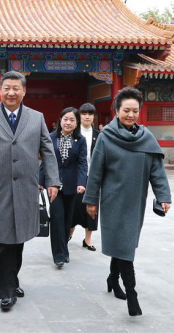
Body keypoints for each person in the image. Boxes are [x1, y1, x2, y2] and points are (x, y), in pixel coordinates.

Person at [0, 70, 60, 311]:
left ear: (24, 91)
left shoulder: (36, 117)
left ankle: (12, 278)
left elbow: (47, 150)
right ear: (0, 90)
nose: (11, 92)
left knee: (19, 236)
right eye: (7, 88)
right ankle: (6, 290)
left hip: (26, 186)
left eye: (16, 88)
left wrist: (53, 180)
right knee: (3, 238)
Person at [83, 87, 171, 317]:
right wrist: (91, 200)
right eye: (126, 110)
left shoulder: (146, 138)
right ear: (116, 111)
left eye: (134, 111)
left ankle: (113, 278)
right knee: (123, 247)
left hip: (135, 203)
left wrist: (163, 196)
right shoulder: (106, 137)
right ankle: (132, 296)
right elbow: (95, 172)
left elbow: (157, 172)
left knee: (124, 245)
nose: (130, 115)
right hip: (112, 202)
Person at [39, 107, 87, 268]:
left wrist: (82, 182)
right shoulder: (51, 137)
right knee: (57, 219)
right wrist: (40, 180)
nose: (68, 122)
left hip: (72, 185)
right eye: (65, 119)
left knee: (68, 220)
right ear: (60, 120)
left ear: (76, 123)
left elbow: (82, 163)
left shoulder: (80, 141)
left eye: (72, 120)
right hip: (53, 185)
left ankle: (64, 249)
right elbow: (45, 160)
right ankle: (58, 255)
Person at [69, 103, 100, 251]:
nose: (87, 116)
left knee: (92, 208)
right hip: (76, 176)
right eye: (84, 114)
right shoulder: (74, 133)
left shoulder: (98, 135)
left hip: (93, 176)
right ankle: (70, 231)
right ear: (79, 116)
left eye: (90, 114)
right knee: (74, 206)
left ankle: (88, 239)